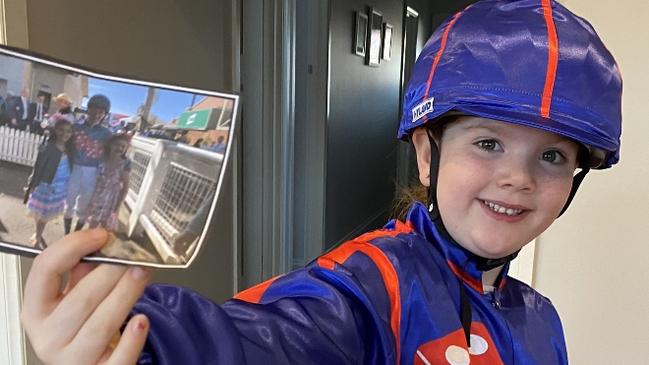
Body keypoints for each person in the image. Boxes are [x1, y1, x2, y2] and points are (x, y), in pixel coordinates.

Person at [20, 1, 622, 364]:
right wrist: (134, 334)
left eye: (550, 156)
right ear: (426, 153)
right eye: (487, 143)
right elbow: (266, 344)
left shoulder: (539, 317)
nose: (517, 177)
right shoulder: (371, 287)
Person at [63, 94, 113, 233]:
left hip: (92, 171)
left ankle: (76, 234)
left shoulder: (107, 134)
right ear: (88, 109)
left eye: (102, 111)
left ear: (105, 114)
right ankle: (66, 234)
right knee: (69, 201)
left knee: (84, 205)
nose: (97, 113)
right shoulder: (75, 127)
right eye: (94, 109)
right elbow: (64, 144)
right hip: (74, 168)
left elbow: (113, 154)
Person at [24, 119, 75, 249]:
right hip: (46, 184)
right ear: (55, 130)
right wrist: (33, 183)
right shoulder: (48, 145)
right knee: (40, 212)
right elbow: (38, 165)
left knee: (44, 214)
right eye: (61, 130)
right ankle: (38, 234)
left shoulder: (70, 149)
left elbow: (70, 167)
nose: (65, 133)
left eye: (68, 131)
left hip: (60, 186)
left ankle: (38, 233)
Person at [85, 133, 132, 232]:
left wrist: (117, 206)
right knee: (93, 224)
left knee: (105, 226)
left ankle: (99, 246)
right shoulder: (102, 159)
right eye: (116, 144)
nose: (119, 148)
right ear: (110, 145)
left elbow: (125, 188)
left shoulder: (125, 163)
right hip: (97, 197)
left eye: (123, 146)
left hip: (111, 200)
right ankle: (89, 244)